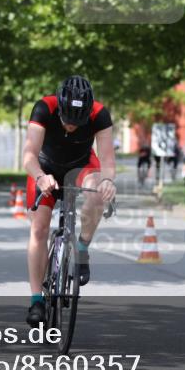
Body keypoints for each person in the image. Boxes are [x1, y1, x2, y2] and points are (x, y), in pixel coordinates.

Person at [23, 75, 117, 326]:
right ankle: (36, 300)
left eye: (78, 122)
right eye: (66, 121)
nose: (70, 127)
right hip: (45, 167)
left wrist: (108, 181)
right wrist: (41, 177)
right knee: (39, 227)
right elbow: (29, 156)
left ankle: (82, 251)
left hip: (82, 165)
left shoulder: (100, 114)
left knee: (96, 194)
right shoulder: (44, 108)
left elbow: (107, 160)